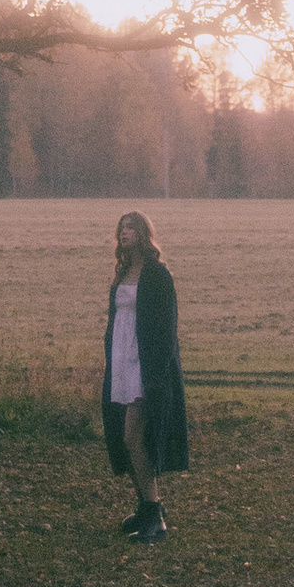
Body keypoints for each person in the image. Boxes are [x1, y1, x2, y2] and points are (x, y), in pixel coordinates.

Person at [101, 207, 189, 542]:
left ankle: (155, 515)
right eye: (121, 227)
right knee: (126, 439)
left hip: (145, 367)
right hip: (122, 364)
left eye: (131, 228)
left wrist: (157, 375)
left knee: (132, 438)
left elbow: (167, 329)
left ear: (143, 233)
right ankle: (144, 506)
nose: (125, 233)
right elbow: (116, 323)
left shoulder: (157, 274)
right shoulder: (123, 273)